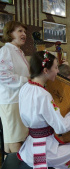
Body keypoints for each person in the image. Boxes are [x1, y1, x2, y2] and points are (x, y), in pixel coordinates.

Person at [18, 51, 70, 169]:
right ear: (45, 70)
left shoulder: (26, 87)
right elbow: (61, 127)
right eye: (55, 67)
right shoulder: (43, 95)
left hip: (30, 145)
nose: (57, 72)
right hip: (45, 149)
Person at [0, 21, 29, 154]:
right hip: (11, 100)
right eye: (20, 31)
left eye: (24, 31)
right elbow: (2, 74)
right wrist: (26, 81)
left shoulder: (18, 51)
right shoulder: (6, 50)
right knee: (14, 139)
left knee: (15, 138)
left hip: (18, 99)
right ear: (10, 33)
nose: (24, 34)